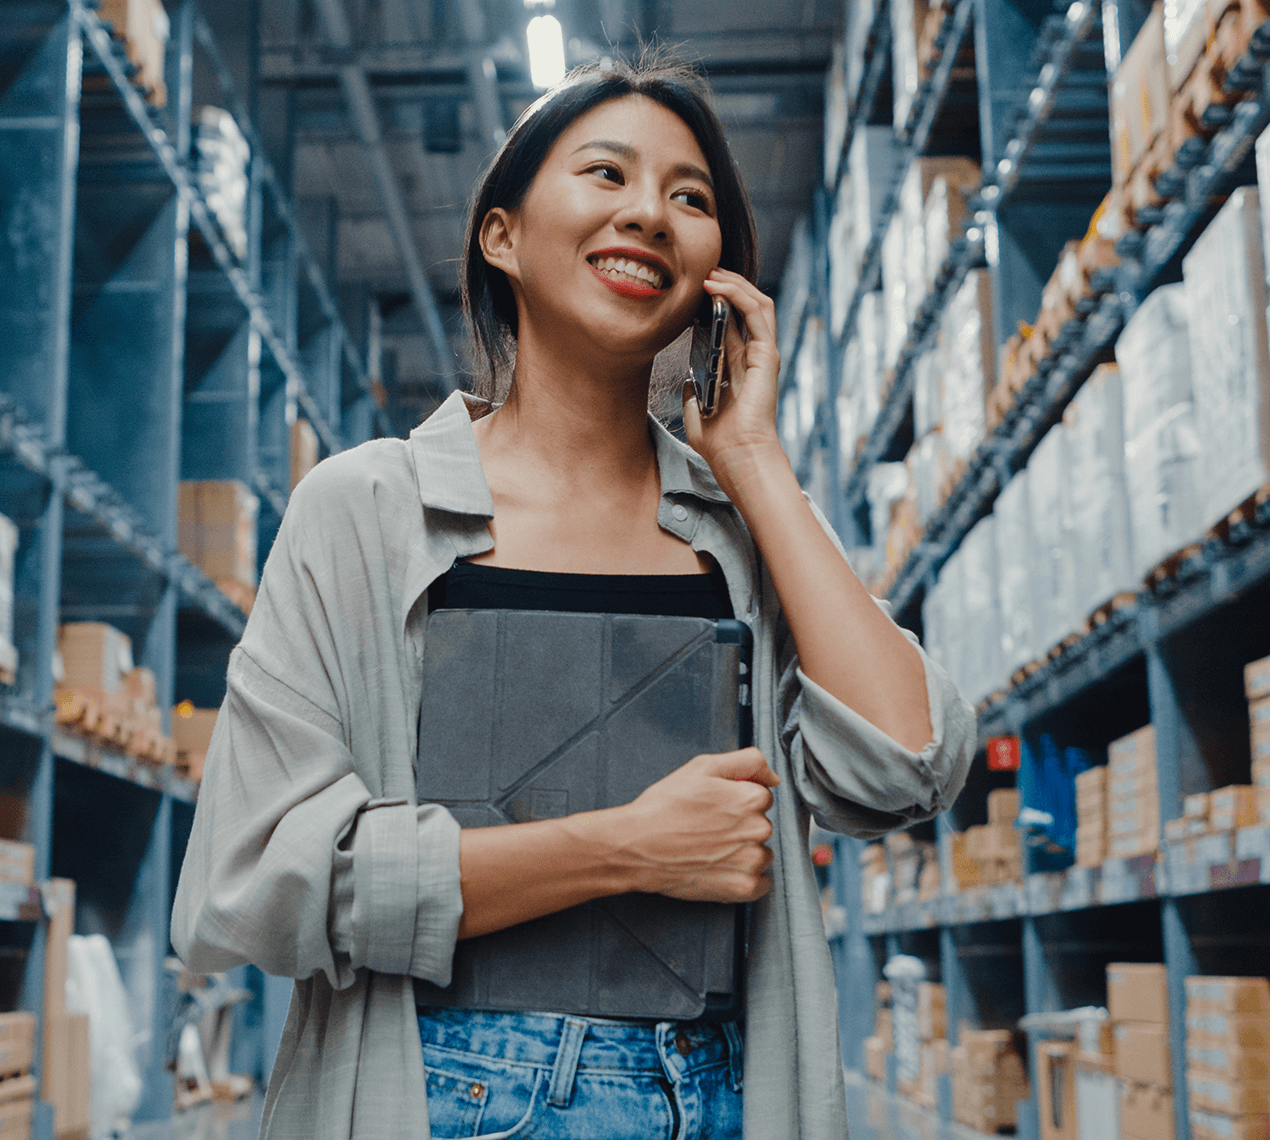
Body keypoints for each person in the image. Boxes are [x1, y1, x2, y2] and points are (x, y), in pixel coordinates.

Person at [172, 55, 975, 1140]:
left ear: (714, 272)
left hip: (718, 1093)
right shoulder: (365, 511)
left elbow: (906, 764)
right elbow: (252, 883)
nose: (650, 213)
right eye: (607, 175)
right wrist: (627, 848)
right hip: (445, 1092)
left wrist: (758, 464)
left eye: (690, 199)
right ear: (500, 236)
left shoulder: (738, 535)